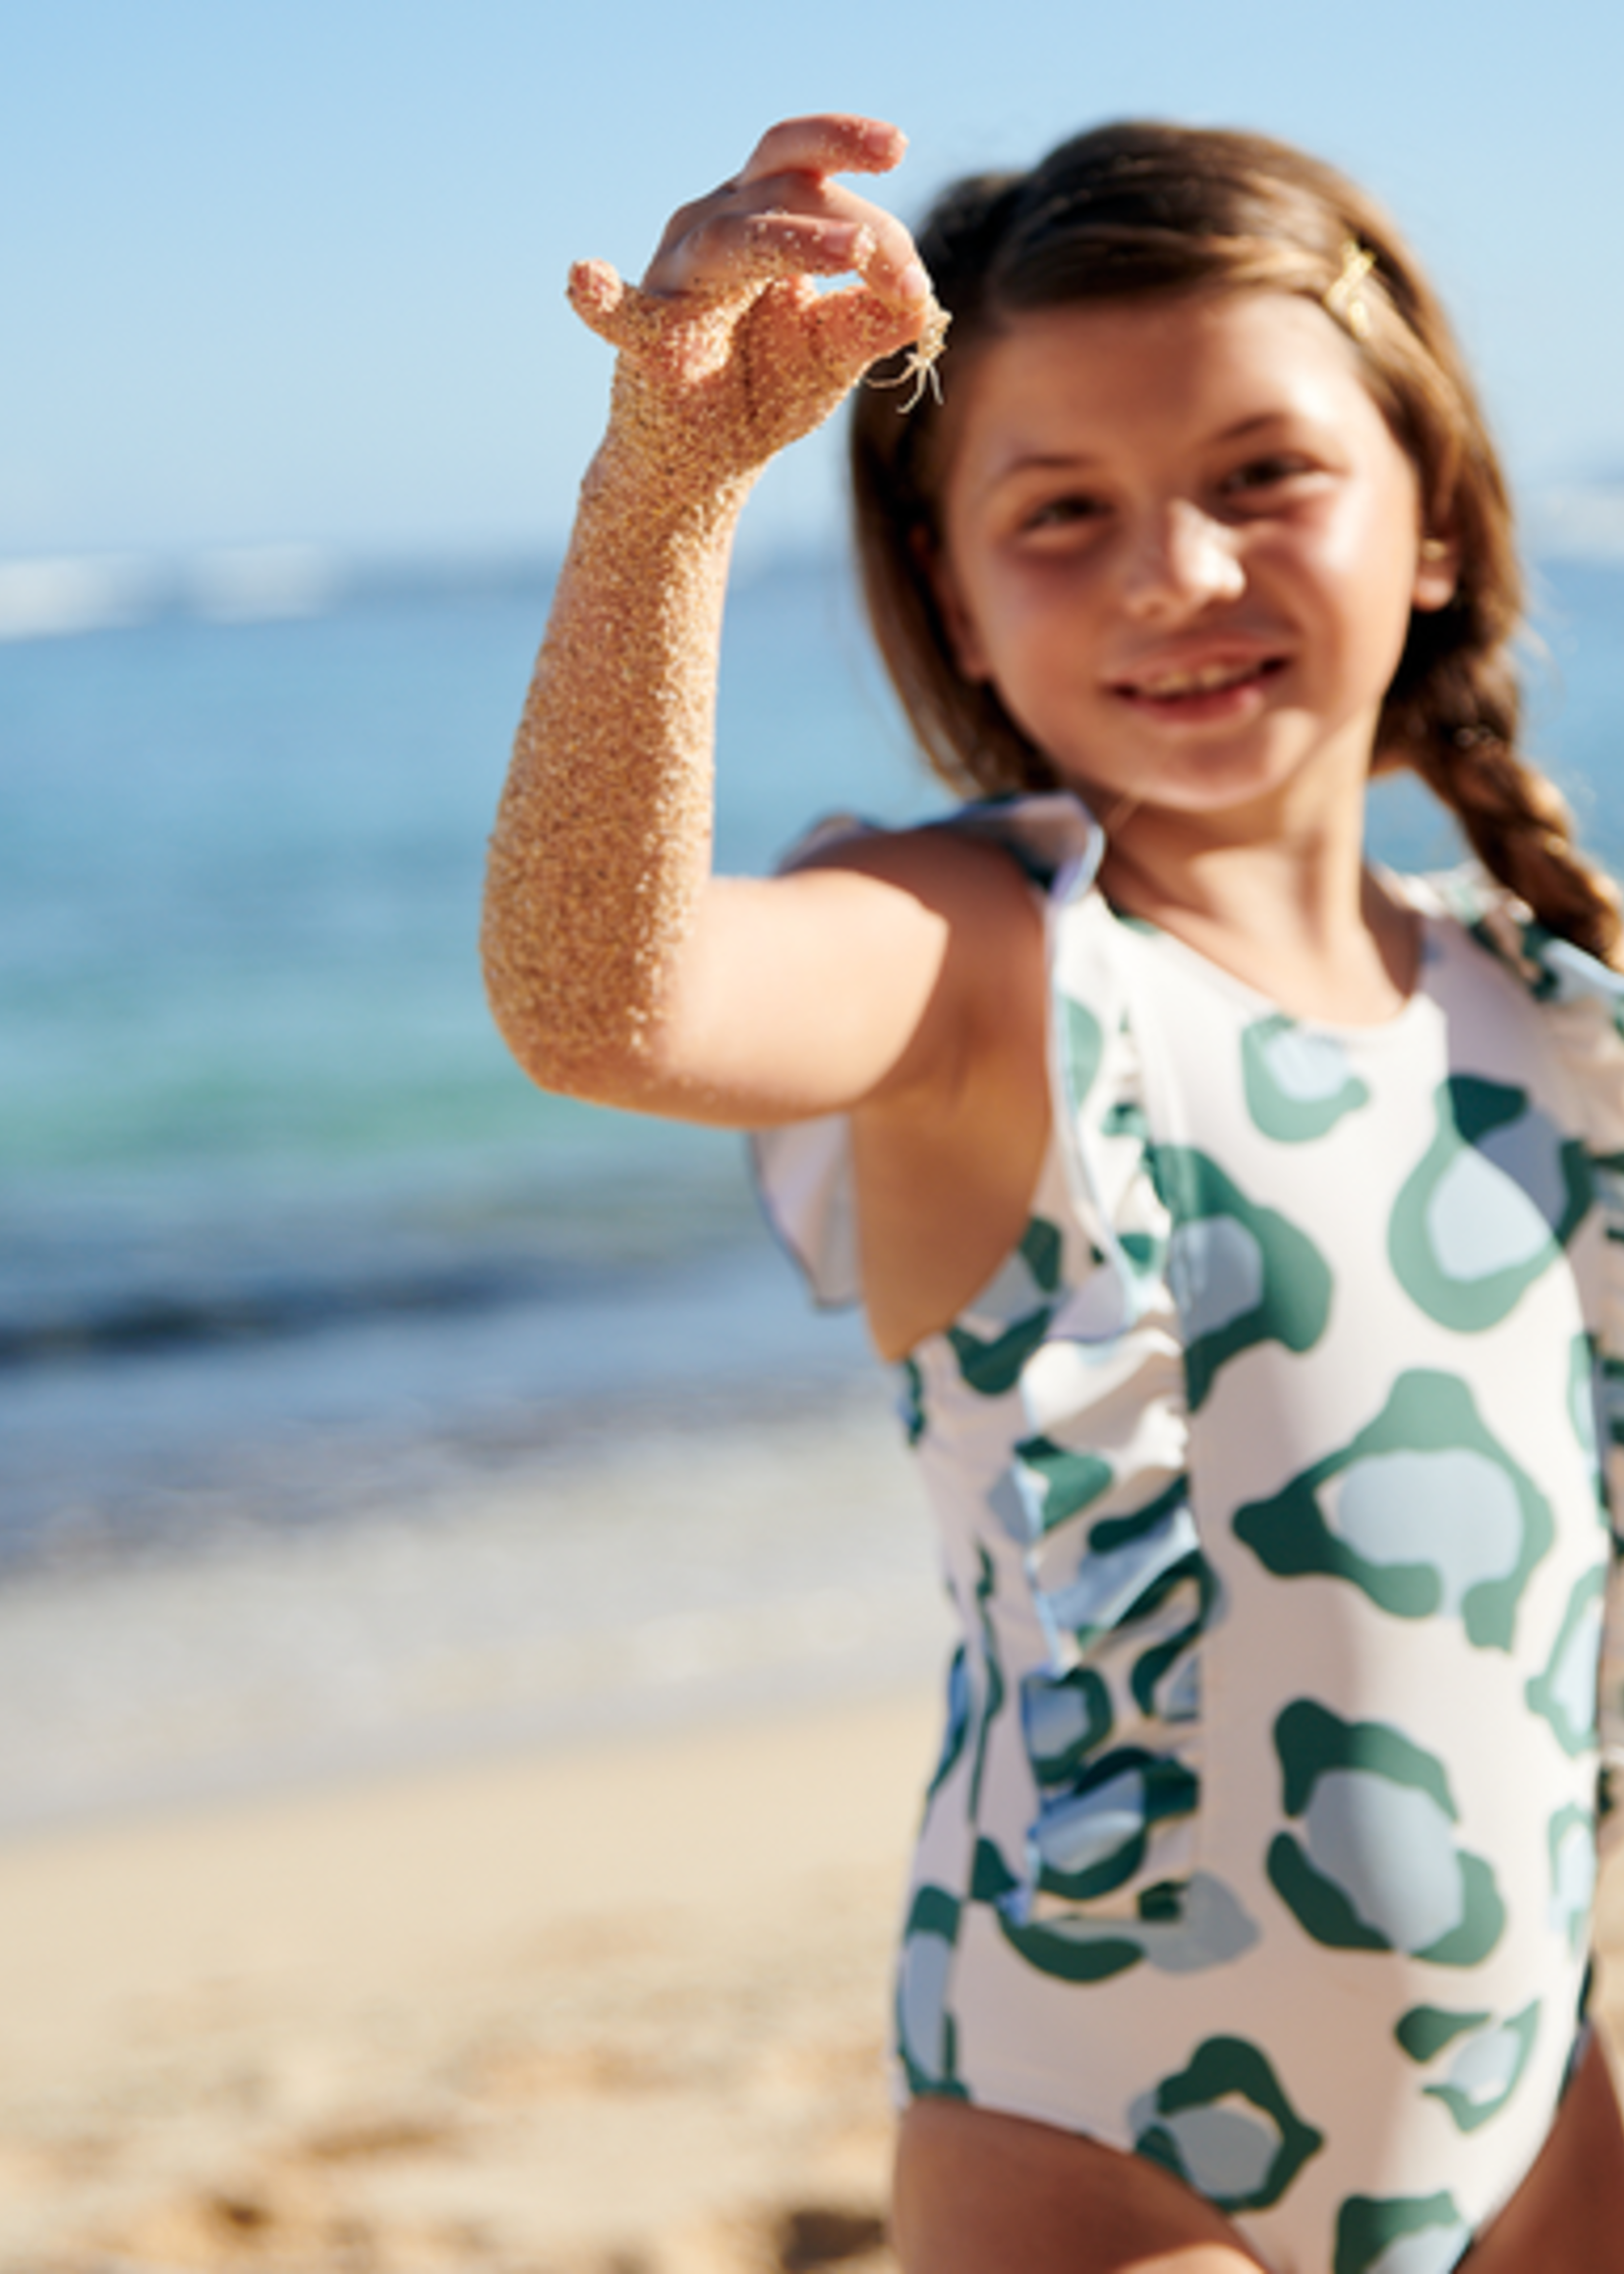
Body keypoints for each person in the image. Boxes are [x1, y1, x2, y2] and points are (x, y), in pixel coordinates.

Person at [482, 112, 1624, 2274]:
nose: (1172, 574)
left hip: (1541, 2119)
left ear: (1440, 522)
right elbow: (595, 1006)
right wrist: (665, 495)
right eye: (1061, 511)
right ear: (952, 596)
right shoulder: (983, 962)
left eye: (1261, 478)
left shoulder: (1551, 1004)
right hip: (1096, 2165)